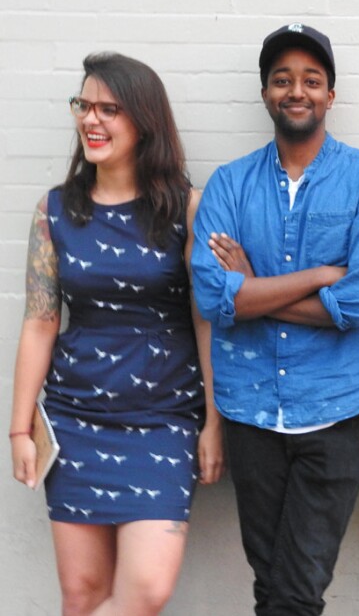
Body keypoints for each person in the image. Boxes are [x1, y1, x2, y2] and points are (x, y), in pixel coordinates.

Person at [190, 23, 359, 615]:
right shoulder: (230, 184)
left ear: (330, 94)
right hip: (249, 412)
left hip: (335, 412)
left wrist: (250, 289)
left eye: (311, 80)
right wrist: (319, 276)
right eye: (282, 80)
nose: (296, 90)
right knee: (273, 586)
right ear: (265, 93)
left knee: (295, 591)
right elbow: (211, 298)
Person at [9, 52, 224, 616]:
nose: (91, 120)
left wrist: (214, 420)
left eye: (109, 109)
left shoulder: (187, 209)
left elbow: (207, 318)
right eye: (83, 105)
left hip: (163, 421)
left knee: (146, 590)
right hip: (74, 420)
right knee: (82, 594)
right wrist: (19, 430)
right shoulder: (55, 211)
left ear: (144, 121)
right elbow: (40, 321)